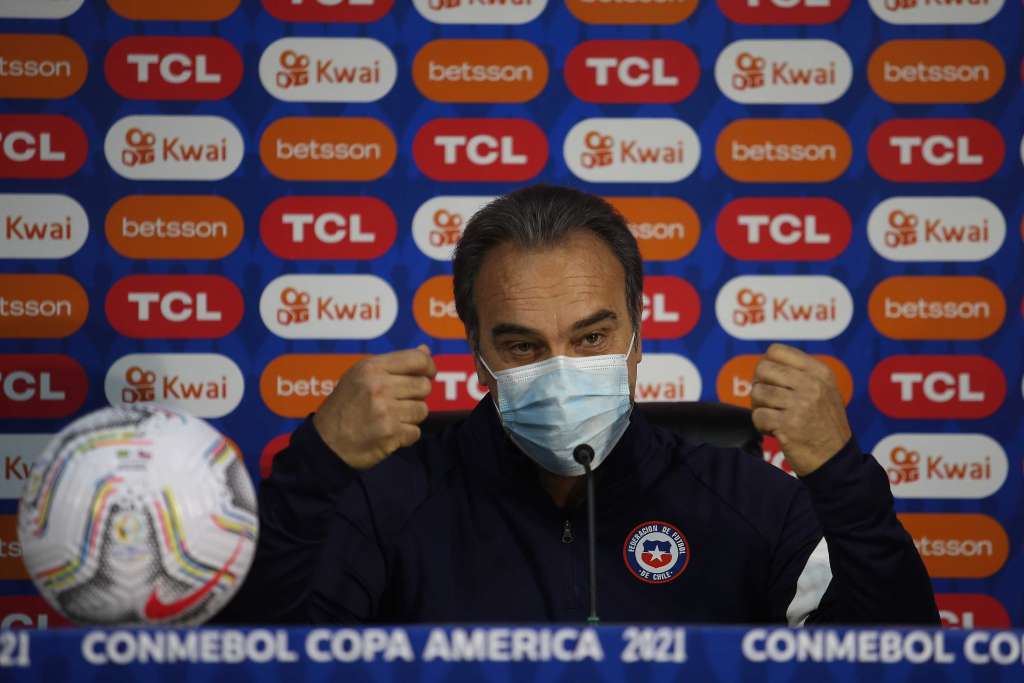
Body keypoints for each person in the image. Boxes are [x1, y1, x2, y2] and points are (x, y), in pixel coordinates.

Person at [222, 184, 939, 625]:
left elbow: (900, 661)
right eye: (524, 346)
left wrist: (843, 476)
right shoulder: (386, 502)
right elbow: (255, 660)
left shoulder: (752, 500)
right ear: (477, 354)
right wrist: (315, 466)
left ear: (636, 335)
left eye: (591, 335)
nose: (563, 370)